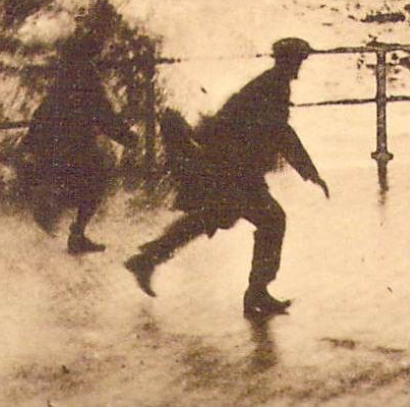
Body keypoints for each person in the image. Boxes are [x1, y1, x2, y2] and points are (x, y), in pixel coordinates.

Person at [124, 38, 329, 318]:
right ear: (288, 61)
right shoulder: (273, 87)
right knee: (270, 220)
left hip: (231, 167)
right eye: (298, 61)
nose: (299, 67)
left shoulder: (269, 83)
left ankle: (147, 259)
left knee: (207, 219)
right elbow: (281, 133)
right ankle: (256, 293)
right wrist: (309, 172)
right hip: (236, 170)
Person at [18, 36, 138, 254]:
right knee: (96, 183)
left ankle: (57, 216)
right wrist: (127, 138)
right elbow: (104, 116)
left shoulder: (62, 79)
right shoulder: (89, 80)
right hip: (78, 144)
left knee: (75, 183)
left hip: (54, 143)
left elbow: (41, 114)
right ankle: (74, 232)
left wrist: (31, 143)